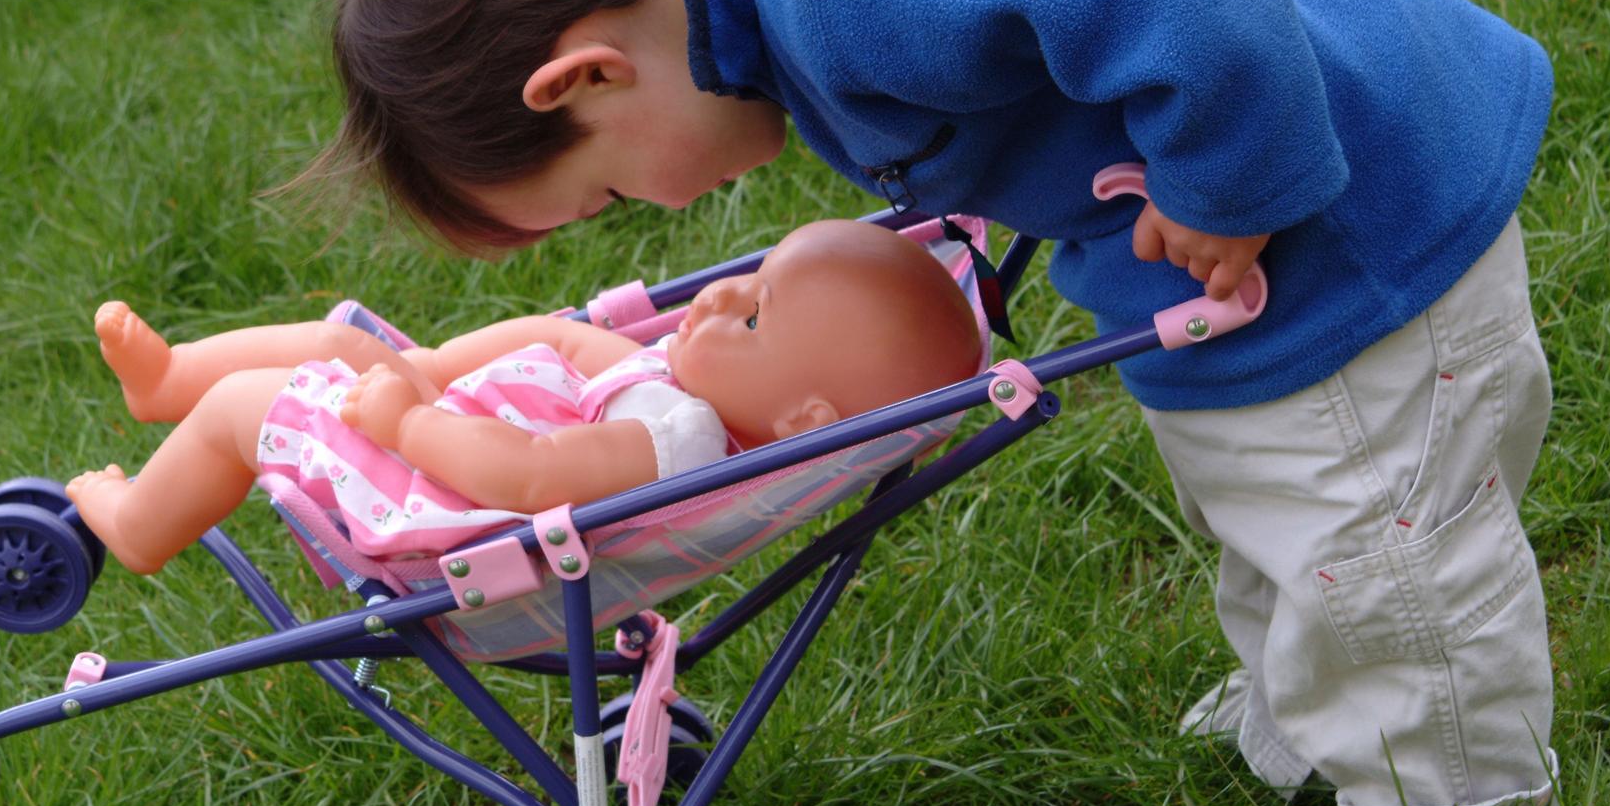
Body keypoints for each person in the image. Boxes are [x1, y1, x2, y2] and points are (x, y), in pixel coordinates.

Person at [296, 0, 1558, 806]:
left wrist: (1226, 176)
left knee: (1367, 530)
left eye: (611, 187)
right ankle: (1315, 700)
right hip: (1258, 223)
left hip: (1341, 229)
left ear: (584, 75)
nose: (657, 209)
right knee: (1266, 497)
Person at [66, 219, 981, 576]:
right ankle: (167, 379)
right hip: (450, 427)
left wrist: (410, 417)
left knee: (247, 408)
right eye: (755, 276)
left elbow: (529, 474)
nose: (723, 295)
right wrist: (437, 369)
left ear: (804, 424)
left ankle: (139, 526)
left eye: (752, 318)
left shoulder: (675, 446)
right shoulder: (685, 392)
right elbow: (564, 339)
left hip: (441, 507)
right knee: (342, 341)